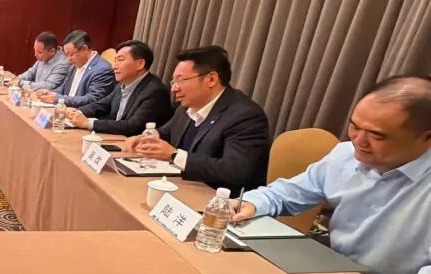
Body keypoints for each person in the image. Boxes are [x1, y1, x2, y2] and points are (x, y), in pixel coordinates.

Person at [234, 75, 431, 274]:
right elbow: (285, 194)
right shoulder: (344, 155)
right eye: (354, 126)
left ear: (426, 137)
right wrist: (251, 203)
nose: (358, 140)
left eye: (376, 135)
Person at [126, 45, 269, 193]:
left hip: (217, 199)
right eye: (173, 82)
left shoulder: (245, 116)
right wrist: (146, 137)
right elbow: (167, 132)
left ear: (211, 79)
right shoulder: (188, 106)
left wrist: (175, 156)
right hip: (181, 187)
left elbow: (234, 171)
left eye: (181, 80)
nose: (174, 89)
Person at [67, 40, 173, 136]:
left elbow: (132, 126)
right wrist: (78, 112)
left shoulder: (155, 91)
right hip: (115, 138)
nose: (114, 66)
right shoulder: (122, 84)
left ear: (140, 64)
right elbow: (102, 105)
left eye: (120, 60)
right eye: (115, 60)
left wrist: (89, 123)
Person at [37, 30, 116, 108]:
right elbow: (64, 89)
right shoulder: (74, 66)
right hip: (65, 110)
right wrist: (50, 93)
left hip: (82, 113)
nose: (68, 59)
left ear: (84, 49)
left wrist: (58, 98)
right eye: (66, 55)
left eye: (71, 54)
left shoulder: (103, 69)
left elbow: (92, 99)